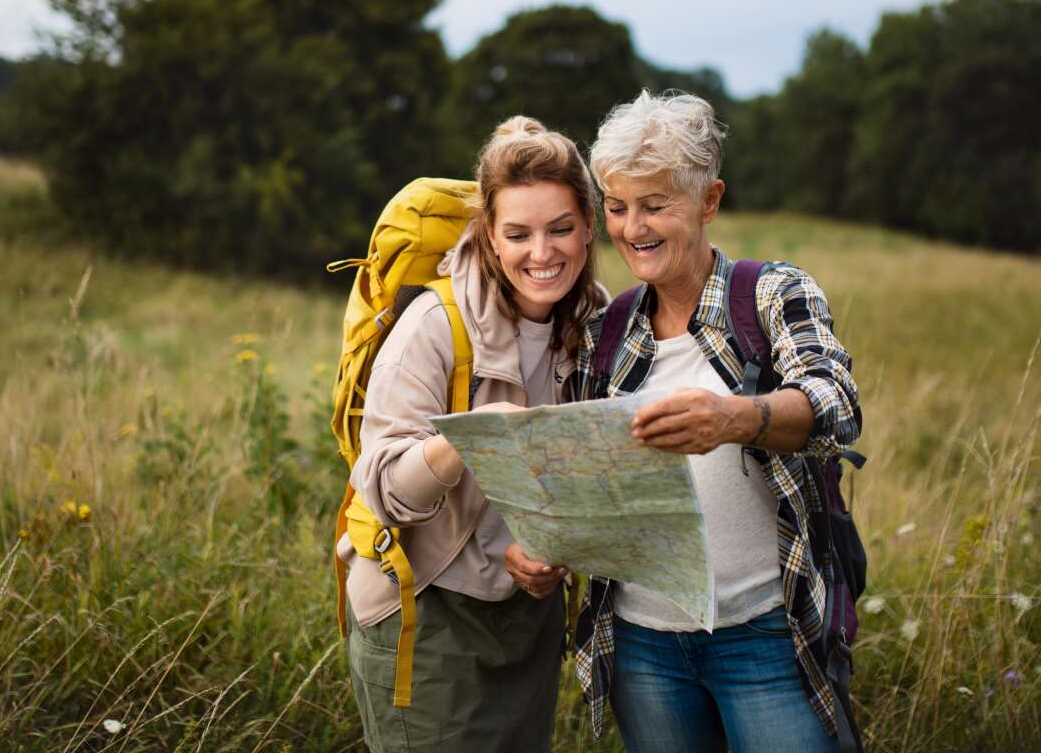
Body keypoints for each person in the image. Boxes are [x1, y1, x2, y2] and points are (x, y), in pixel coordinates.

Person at [531, 90, 862, 752]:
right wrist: (547, 547)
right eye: (618, 207)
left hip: (766, 636)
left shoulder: (771, 293)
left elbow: (837, 405)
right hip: (643, 646)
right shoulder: (606, 328)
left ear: (708, 201)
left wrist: (738, 418)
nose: (633, 227)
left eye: (655, 205)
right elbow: (580, 478)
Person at [341, 116, 603, 753]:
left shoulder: (594, 321)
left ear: (589, 228)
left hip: (528, 618)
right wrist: (468, 437)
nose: (542, 253)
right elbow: (382, 488)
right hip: (427, 612)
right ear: (490, 235)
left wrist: (547, 549)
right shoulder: (435, 325)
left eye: (560, 229)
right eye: (518, 234)